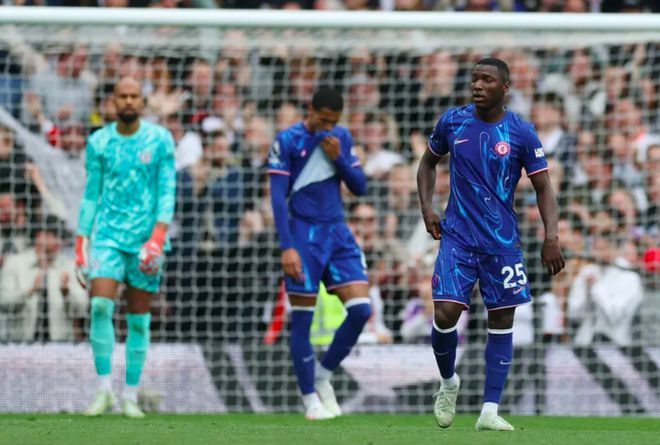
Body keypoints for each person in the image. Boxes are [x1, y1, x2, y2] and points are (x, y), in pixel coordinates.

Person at [416, 58, 565, 431]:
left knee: (501, 320)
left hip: (502, 243)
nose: (478, 85)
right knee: (445, 313)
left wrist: (551, 236)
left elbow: (543, 187)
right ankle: (448, 381)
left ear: (505, 88)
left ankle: (489, 410)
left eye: (487, 80)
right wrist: (427, 208)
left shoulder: (521, 132)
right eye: (474, 79)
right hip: (458, 237)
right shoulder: (454, 121)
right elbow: (427, 164)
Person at [75, 77, 176, 419]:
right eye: (123, 96)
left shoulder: (160, 139)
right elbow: (91, 195)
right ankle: (104, 390)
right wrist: (81, 241)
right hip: (108, 236)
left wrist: (158, 235)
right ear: (113, 101)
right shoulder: (99, 142)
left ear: (142, 102)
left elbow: (167, 189)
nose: (129, 101)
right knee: (100, 305)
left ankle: (130, 395)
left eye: (135, 96)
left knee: (139, 320)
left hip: (146, 241)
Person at [268, 88, 372, 420]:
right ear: (310, 109)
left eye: (333, 121)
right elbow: (277, 198)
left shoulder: (340, 137)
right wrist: (287, 246)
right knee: (303, 318)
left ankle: (323, 375)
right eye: (323, 120)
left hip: (337, 232)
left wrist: (339, 157)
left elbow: (360, 187)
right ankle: (310, 401)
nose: (328, 126)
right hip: (303, 235)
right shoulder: (287, 141)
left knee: (361, 310)